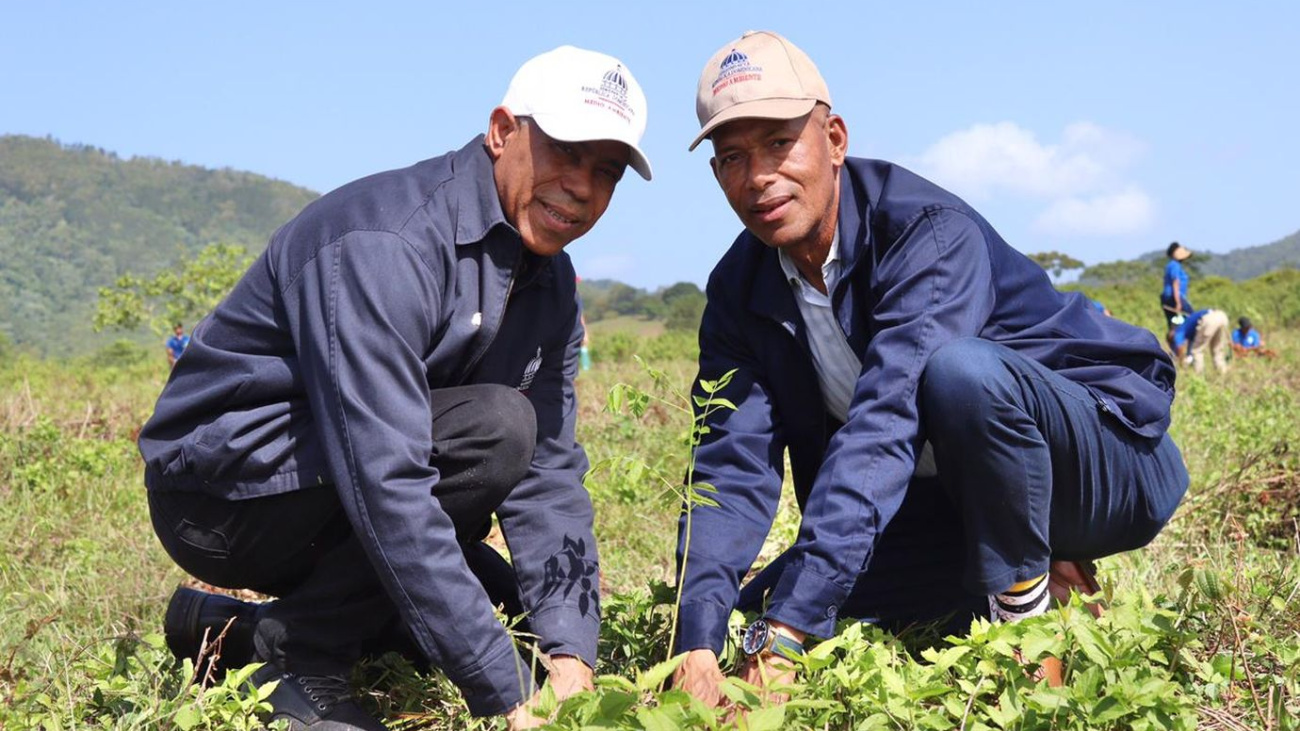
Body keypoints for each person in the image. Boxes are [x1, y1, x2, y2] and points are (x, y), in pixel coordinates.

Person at [138, 46, 652, 730]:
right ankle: (299, 656)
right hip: (226, 497)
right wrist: (508, 695)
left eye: (606, 171)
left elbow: (550, 471)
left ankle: (228, 630)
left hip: (338, 478)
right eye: (564, 150)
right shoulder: (389, 244)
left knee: (501, 593)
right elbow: (388, 479)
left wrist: (569, 656)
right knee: (499, 429)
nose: (583, 186)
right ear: (502, 131)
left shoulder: (548, 278)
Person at [671, 30, 1189, 703]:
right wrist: (698, 639)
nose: (759, 176)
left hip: (1105, 459)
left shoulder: (924, 233)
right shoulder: (742, 290)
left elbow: (887, 422)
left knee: (960, 376)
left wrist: (788, 636)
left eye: (779, 143)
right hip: (955, 501)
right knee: (753, 610)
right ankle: (1040, 579)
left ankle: (1027, 636)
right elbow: (729, 467)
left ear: (833, 139)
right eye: (733, 156)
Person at [1170, 308, 1231, 374]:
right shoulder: (1189, 325)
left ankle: (1199, 375)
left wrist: (1180, 361)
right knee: (1218, 350)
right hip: (1222, 316)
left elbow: (1179, 347)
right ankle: (1222, 373)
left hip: (1210, 319)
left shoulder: (1179, 331)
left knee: (1197, 351)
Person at [1161, 242, 1194, 327]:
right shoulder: (1175, 265)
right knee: (1192, 318)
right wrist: (1178, 302)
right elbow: (1175, 282)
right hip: (1174, 297)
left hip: (1168, 297)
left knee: (1175, 323)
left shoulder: (1171, 265)